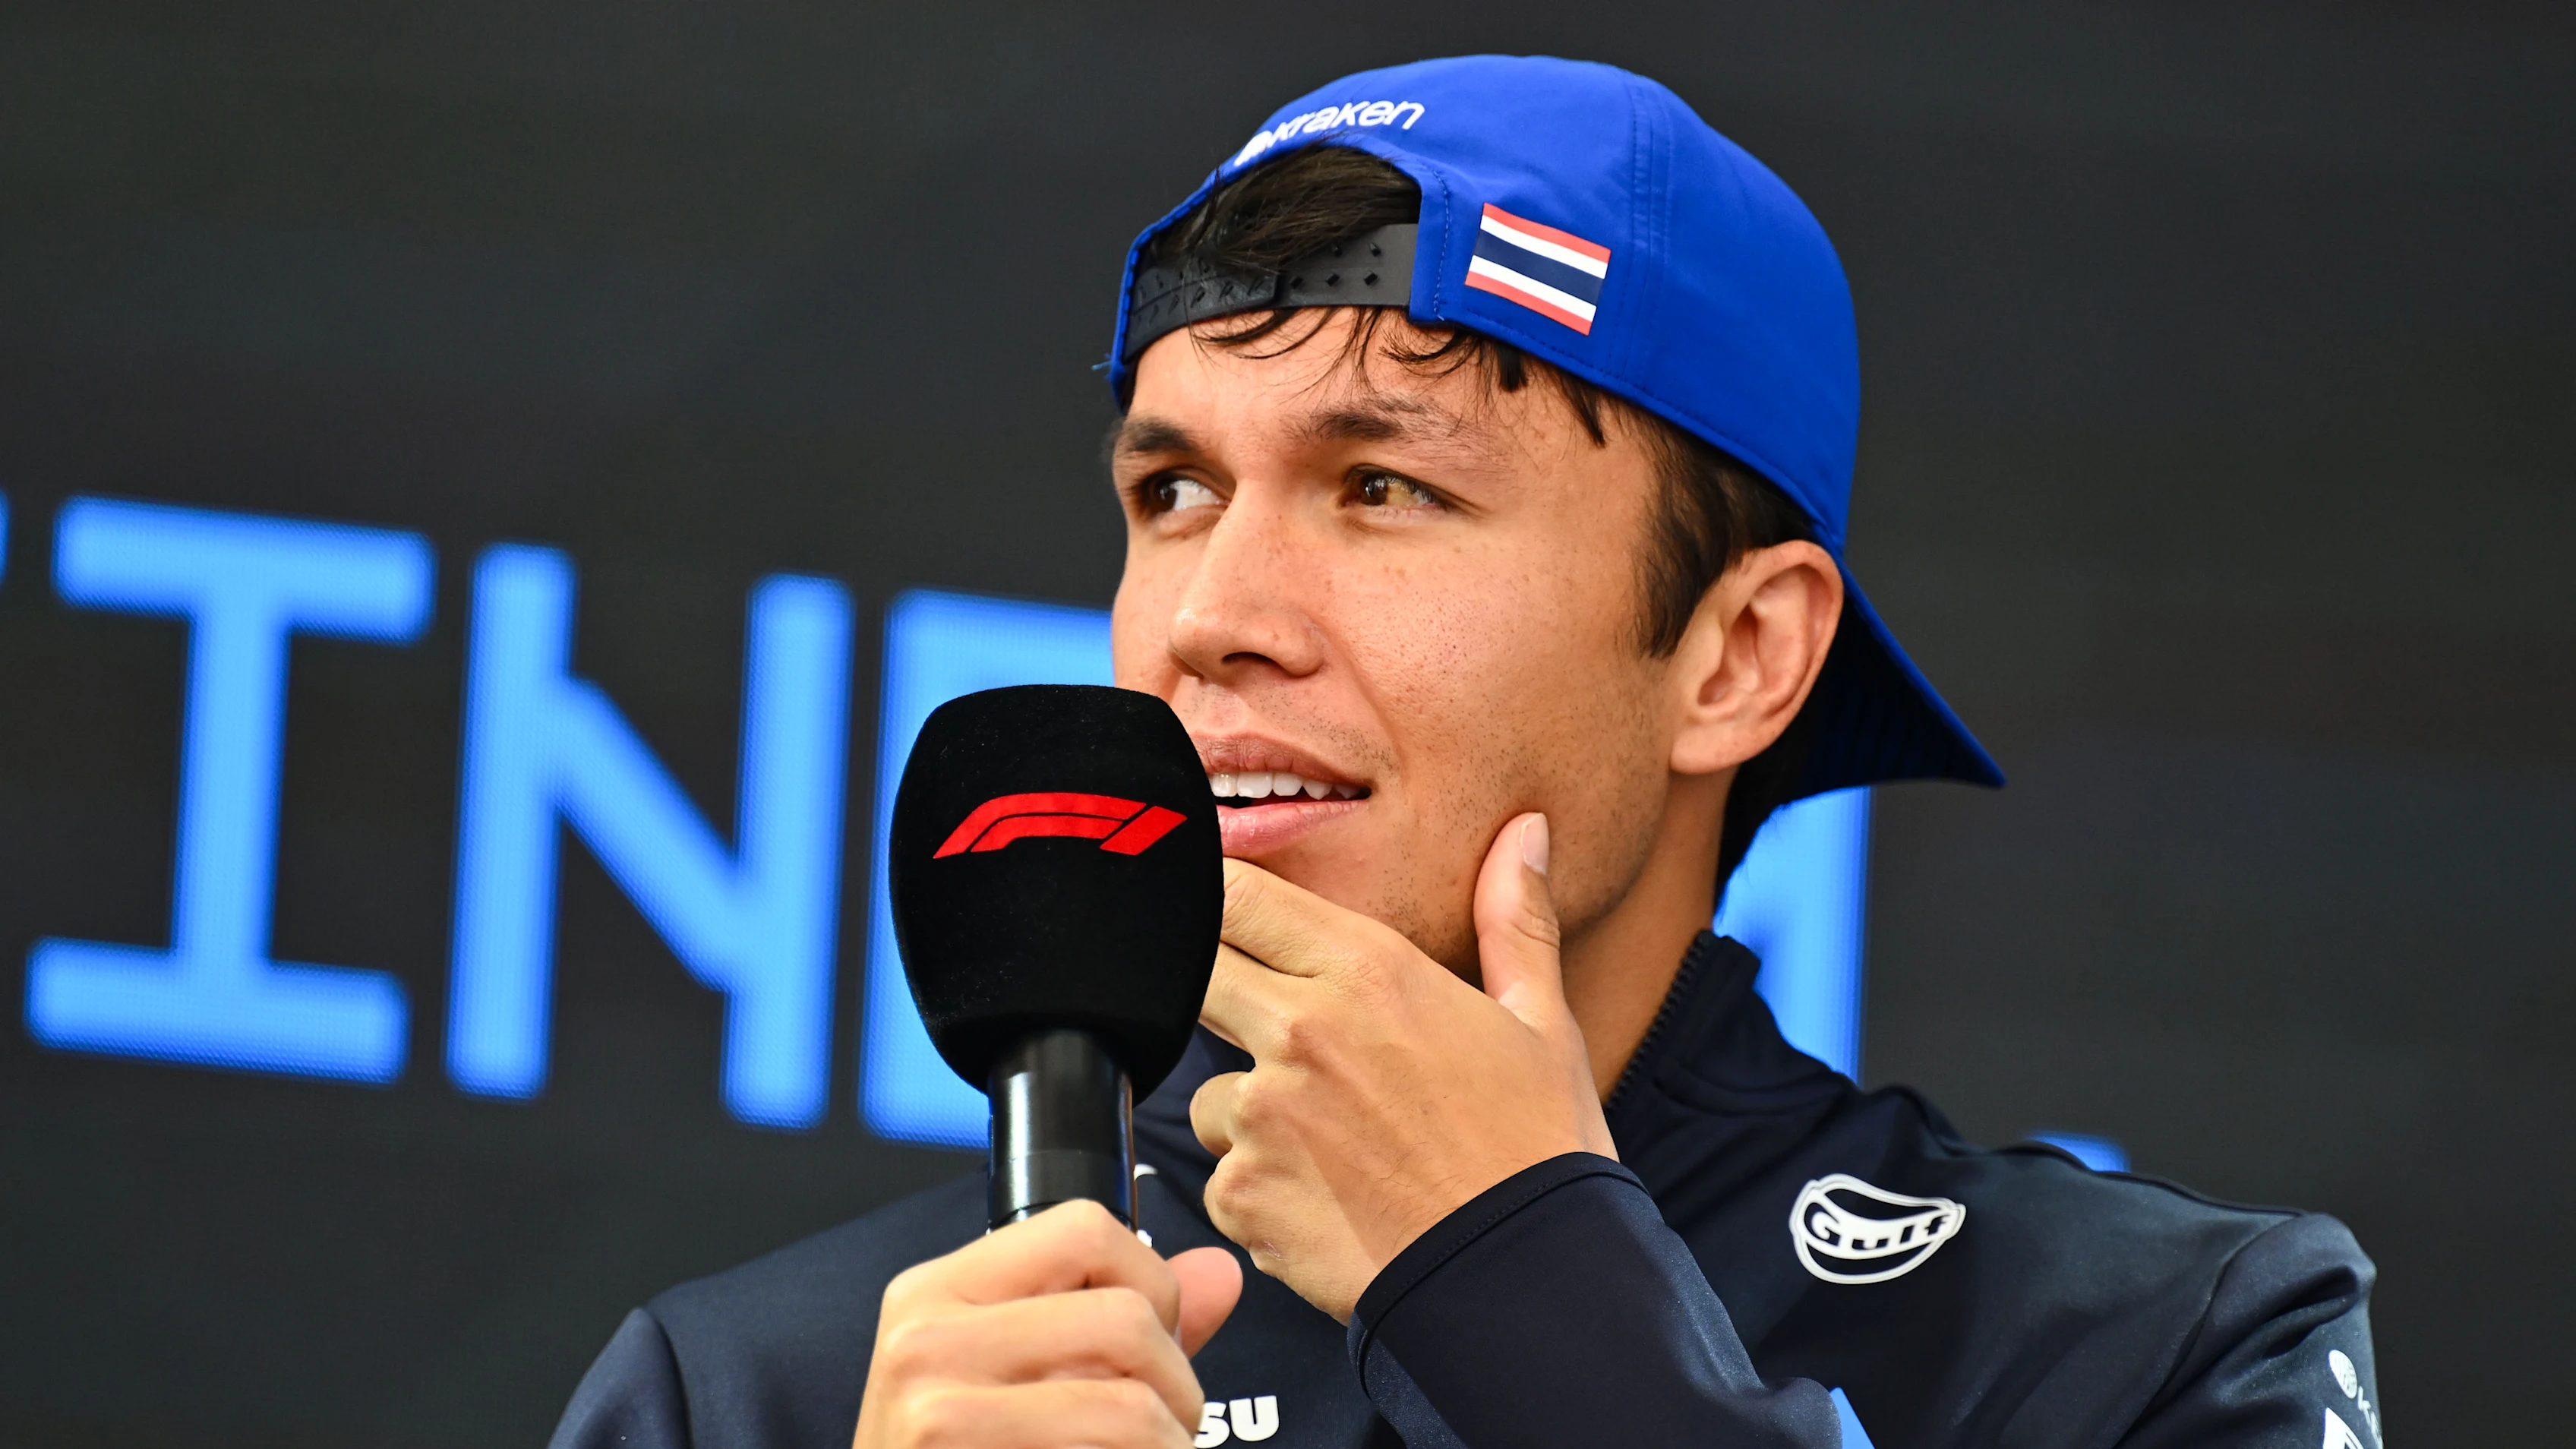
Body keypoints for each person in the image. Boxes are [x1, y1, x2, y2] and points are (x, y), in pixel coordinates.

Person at [550, 55, 2383, 1449]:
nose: (1214, 613)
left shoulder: (2146, 1343)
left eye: (1384, 487)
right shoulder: (758, 1393)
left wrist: (1539, 1304)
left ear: (1738, 656)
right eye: (1171, 489)